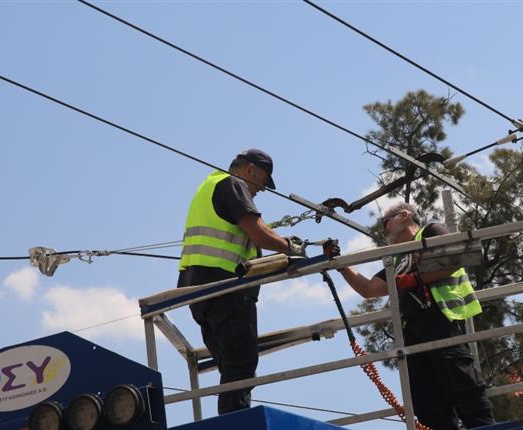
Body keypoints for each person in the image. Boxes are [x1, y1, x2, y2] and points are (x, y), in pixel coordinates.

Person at [327, 202, 494, 429]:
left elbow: (459, 257)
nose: (383, 230)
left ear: (404, 216)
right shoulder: (396, 259)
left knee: (463, 386)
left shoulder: (431, 232)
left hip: (442, 318)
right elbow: (369, 289)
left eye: (385, 223)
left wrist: (414, 280)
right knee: (427, 401)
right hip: (415, 329)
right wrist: (339, 263)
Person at [177, 148, 303, 414]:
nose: (261, 190)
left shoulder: (210, 185)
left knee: (229, 366)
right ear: (249, 170)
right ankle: (237, 423)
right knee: (241, 365)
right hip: (226, 290)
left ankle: (231, 419)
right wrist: (290, 249)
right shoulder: (233, 184)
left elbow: (261, 227)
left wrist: (283, 241)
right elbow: (259, 234)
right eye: (263, 181)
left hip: (198, 293)